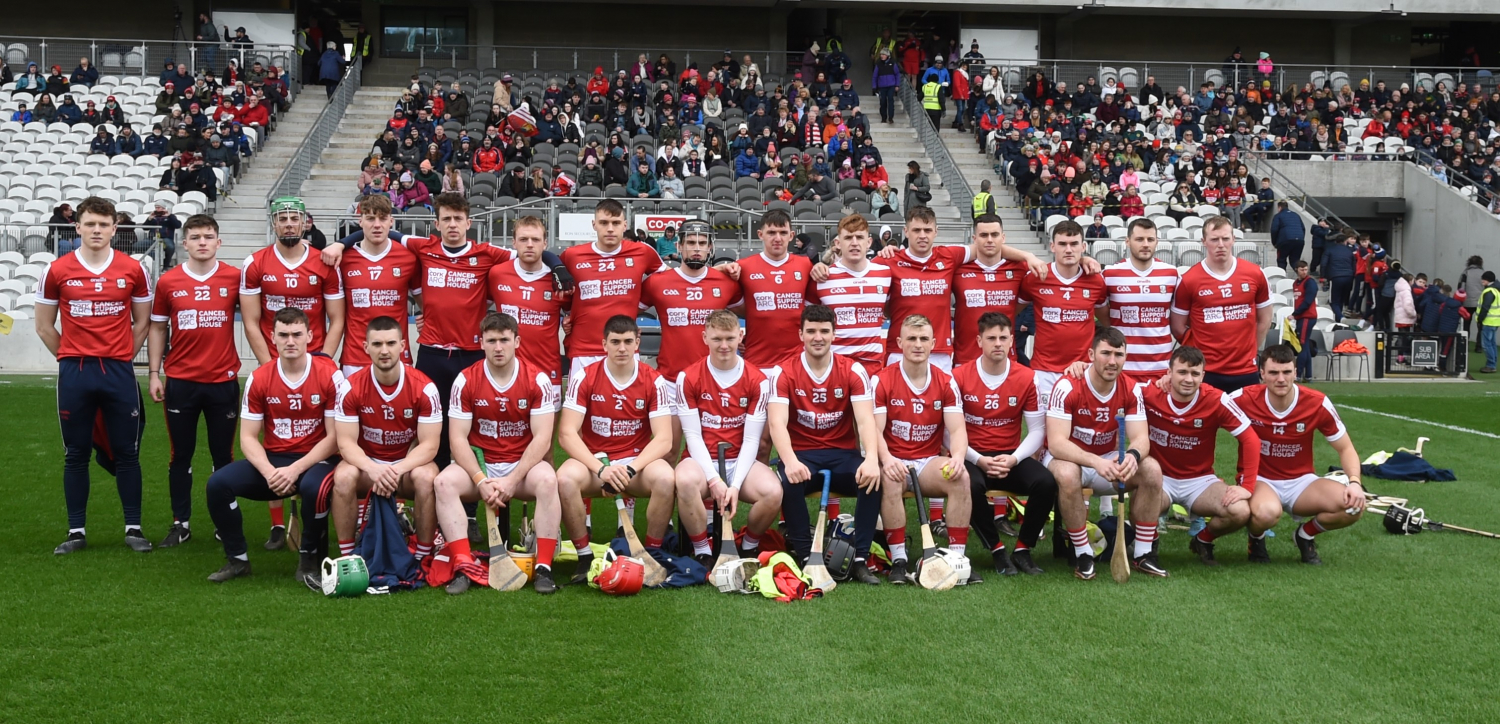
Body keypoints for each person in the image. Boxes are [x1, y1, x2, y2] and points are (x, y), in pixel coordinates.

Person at [35, 197, 153, 555]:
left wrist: (122, 355)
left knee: (127, 452)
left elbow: (142, 322)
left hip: (118, 370)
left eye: (103, 224)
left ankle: (134, 528)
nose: (97, 230)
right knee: (76, 452)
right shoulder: (56, 270)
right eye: (90, 224)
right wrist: (71, 357)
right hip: (76, 372)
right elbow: (44, 326)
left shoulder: (134, 269)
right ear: (78, 227)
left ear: (115, 229)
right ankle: (76, 531)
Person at [203, 308, 343, 586]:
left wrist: (295, 469)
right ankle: (238, 560)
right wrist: (269, 472)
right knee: (218, 484)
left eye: (296, 334)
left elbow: (334, 438)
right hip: (274, 461)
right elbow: (247, 438)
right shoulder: (259, 377)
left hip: (316, 460)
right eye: (283, 335)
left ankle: (309, 559)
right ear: (273, 337)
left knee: (314, 488)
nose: (290, 341)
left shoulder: (330, 375)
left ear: (309, 336)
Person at [432, 312, 562, 594]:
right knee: (443, 482)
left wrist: (512, 480)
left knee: (548, 480)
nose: (498, 347)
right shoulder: (466, 380)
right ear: (481, 343)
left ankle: (544, 568)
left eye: (504, 340)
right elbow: (457, 439)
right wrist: (480, 480)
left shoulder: (537, 379)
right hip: (482, 465)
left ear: (517, 342)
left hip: (521, 466)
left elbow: (542, 438)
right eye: (491, 341)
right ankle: (463, 565)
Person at [555, 315, 677, 583]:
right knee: (564, 478)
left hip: (636, 464)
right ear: (604, 344)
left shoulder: (653, 380)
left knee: (666, 478)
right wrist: (602, 470)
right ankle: (584, 556)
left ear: (637, 344)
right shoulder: (584, 376)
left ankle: (651, 553)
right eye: (615, 342)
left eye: (627, 342)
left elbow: (664, 439)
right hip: (596, 463)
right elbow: (566, 433)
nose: (622, 348)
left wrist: (630, 469)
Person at [146, 215, 242, 548]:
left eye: (209, 236)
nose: (203, 242)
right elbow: (158, 328)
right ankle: (180, 523)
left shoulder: (234, 277)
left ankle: (224, 522)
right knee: (180, 455)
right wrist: (154, 373)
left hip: (222, 380)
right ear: (184, 242)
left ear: (219, 242)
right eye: (196, 237)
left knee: (223, 456)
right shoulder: (168, 281)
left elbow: (256, 318)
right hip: (181, 381)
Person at [768, 305, 883, 581]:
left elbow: (865, 420)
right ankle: (805, 556)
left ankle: (860, 558)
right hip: (803, 454)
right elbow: (777, 423)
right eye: (811, 331)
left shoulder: (853, 370)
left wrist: (870, 459)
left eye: (824, 331)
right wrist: (790, 461)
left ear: (834, 334)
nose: (817, 337)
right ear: (801, 335)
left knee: (871, 480)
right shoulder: (783, 372)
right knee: (789, 482)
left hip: (842, 454)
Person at [1045, 327, 1165, 580]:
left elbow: (1141, 438)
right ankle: (1083, 553)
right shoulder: (1067, 385)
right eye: (1106, 353)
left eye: (1118, 355)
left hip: (1108, 461)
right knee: (1067, 474)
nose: (1112, 361)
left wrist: (1132, 455)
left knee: (1151, 469)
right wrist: (1095, 461)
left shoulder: (1130, 388)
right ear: (1091, 355)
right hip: (1069, 459)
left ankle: (1143, 553)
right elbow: (1056, 443)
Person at [1229, 345, 1365, 565]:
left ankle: (1305, 535)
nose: (1281, 379)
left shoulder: (1316, 402)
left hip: (1301, 481)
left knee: (1353, 506)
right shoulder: (1243, 398)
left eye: (1286, 372)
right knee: (1266, 513)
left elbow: (1346, 448)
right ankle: (1256, 538)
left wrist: (1355, 482)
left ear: (1295, 372)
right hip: (1260, 479)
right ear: (1262, 374)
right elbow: (1205, 408)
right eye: (1273, 372)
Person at [671, 310, 782, 565]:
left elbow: (752, 440)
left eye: (730, 338)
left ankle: (748, 547)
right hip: (701, 461)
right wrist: (714, 480)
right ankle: (703, 551)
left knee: (773, 491)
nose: (724, 345)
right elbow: (692, 436)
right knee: (685, 481)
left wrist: (735, 486)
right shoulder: (687, 377)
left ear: (740, 336)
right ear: (705, 338)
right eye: (717, 339)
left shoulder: (758, 380)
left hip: (739, 460)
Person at [329, 316, 444, 562]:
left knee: (427, 476)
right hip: (367, 468)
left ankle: (422, 557)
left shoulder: (424, 388)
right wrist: (374, 469)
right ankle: (349, 557)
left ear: (402, 345)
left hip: (405, 470)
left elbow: (430, 446)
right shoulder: (350, 387)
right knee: (343, 476)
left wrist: (394, 470)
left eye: (391, 343)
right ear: (365, 347)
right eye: (377, 344)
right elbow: (345, 444)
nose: (384, 351)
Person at [872, 314, 974, 583]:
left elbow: (957, 430)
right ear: (899, 343)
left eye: (923, 339)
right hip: (894, 458)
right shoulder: (882, 380)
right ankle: (898, 558)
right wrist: (887, 459)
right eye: (912, 338)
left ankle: (957, 558)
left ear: (933, 343)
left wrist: (958, 457)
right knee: (890, 480)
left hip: (928, 460)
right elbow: (874, 431)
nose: (918, 344)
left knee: (961, 477)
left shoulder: (946, 381)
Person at [953, 311, 1055, 575]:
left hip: (1010, 456)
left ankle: (1023, 549)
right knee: (968, 485)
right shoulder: (959, 376)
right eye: (991, 338)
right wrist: (978, 460)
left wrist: (1014, 459)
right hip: (972, 455)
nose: (998, 343)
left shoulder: (1027, 377)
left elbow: (1037, 430)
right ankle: (997, 549)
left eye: (1003, 338)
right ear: (979, 341)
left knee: (1046, 482)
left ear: (1012, 340)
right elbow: (949, 432)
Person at [1138, 346, 1261, 566]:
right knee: (1139, 506)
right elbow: (1116, 387)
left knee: (1240, 511)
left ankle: (1203, 540)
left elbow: (1251, 439)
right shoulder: (1150, 393)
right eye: (1182, 372)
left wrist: (1247, 486)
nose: (1189, 379)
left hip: (1200, 480)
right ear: (1169, 373)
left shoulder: (1216, 399)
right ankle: (1149, 544)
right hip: (1160, 478)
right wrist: (1082, 368)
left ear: (1203, 376)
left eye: (1195, 373)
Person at [559, 199, 666, 380]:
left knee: (626, 398)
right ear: (594, 224)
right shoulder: (572, 256)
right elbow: (556, 288)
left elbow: (670, 278)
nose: (610, 229)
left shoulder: (643, 252)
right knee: (581, 399)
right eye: (604, 223)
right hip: (584, 349)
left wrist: (640, 305)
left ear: (625, 225)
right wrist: (568, 314)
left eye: (616, 223)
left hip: (625, 349)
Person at [1170, 216, 1272, 392]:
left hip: (1246, 369)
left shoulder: (1255, 274)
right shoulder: (1189, 280)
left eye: (1225, 238)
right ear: (1204, 241)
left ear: (1233, 239)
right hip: (1206, 371)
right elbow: (1178, 327)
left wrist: (1250, 350)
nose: (1221, 245)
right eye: (1214, 239)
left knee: (1247, 411)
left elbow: (1265, 319)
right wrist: (1200, 352)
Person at [1020, 220, 1108, 408]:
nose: (1068, 249)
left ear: (1083, 247)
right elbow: (1011, 311)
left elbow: (1107, 321)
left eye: (1074, 244)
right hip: (1044, 370)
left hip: (1083, 368)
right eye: (1062, 244)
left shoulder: (1096, 281)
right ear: (1053, 246)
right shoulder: (1036, 277)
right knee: (1045, 425)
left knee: (1082, 425)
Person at [333, 195, 418, 377]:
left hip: (398, 358)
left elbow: (426, 303)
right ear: (360, 221)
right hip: (355, 359)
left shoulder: (408, 257)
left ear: (391, 221)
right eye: (370, 218)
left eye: (383, 218)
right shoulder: (343, 258)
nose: (377, 225)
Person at [879, 206, 970, 370]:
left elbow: (987, 247)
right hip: (900, 351)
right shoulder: (889, 259)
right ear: (906, 231)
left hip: (939, 352)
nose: (922, 235)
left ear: (936, 231)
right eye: (916, 230)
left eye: (927, 230)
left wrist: (1022, 257)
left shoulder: (948, 255)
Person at [721, 209, 813, 371]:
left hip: (797, 363)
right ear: (760, 234)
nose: (777, 238)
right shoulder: (744, 266)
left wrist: (821, 266)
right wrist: (722, 268)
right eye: (771, 232)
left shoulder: (805, 265)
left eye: (783, 233)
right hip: (758, 362)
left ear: (791, 235)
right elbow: (708, 281)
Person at [807, 215, 892, 376]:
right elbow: (806, 322)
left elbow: (891, 310)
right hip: (834, 367)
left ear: (869, 242)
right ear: (837, 243)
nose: (854, 243)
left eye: (859, 237)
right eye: (848, 238)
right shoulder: (822, 277)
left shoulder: (885, 273)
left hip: (872, 366)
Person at [488, 216, 567, 386]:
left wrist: (569, 321)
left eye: (535, 240)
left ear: (545, 244)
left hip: (547, 370)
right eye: (523, 239)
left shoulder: (558, 279)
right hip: (506, 371)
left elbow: (574, 314)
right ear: (514, 243)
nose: (530, 244)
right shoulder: (497, 274)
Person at [1102, 218, 1179, 375]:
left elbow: (1179, 317)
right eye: (1139, 239)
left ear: (1157, 242)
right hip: (1122, 367)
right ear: (1127, 241)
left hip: (1162, 366)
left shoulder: (1172, 273)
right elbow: (1100, 312)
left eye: (1150, 239)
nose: (1145, 244)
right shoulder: (1110, 274)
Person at [1291, 260, 1320, 381]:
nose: (1304, 272)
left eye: (1306, 269)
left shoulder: (1310, 282)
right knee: (1306, 345)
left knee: (1302, 345)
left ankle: (1298, 374)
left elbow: (1307, 301)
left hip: (1307, 317)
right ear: (1296, 270)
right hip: (1301, 317)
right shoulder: (1295, 283)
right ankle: (1308, 376)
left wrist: (1294, 314)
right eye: (1302, 269)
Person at [1269, 202, 1306, 270]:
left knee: (1281, 260)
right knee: (1295, 261)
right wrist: (1300, 238)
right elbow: (1303, 228)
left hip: (1285, 240)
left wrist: (1274, 243)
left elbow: (1274, 229)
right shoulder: (1296, 215)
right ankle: (1303, 274)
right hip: (1299, 241)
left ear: (1279, 207)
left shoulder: (1278, 216)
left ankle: (1282, 275)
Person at [1476, 271, 1499, 373]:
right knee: (1492, 344)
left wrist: (1480, 319)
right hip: (1495, 321)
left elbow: (1485, 307)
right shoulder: (1496, 290)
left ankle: (1491, 365)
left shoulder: (1489, 291)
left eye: (1483, 279)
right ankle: (1493, 363)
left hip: (1488, 321)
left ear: (1488, 280)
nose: (1482, 281)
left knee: (1486, 344)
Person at [872, 47, 900, 124]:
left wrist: (897, 85)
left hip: (891, 86)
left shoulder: (893, 63)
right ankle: (883, 118)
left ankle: (890, 117)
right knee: (883, 102)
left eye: (883, 54)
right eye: (881, 54)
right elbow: (875, 76)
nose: (882, 56)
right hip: (882, 87)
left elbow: (897, 74)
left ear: (887, 55)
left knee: (890, 100)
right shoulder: (878, 64)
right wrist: (874, 86)